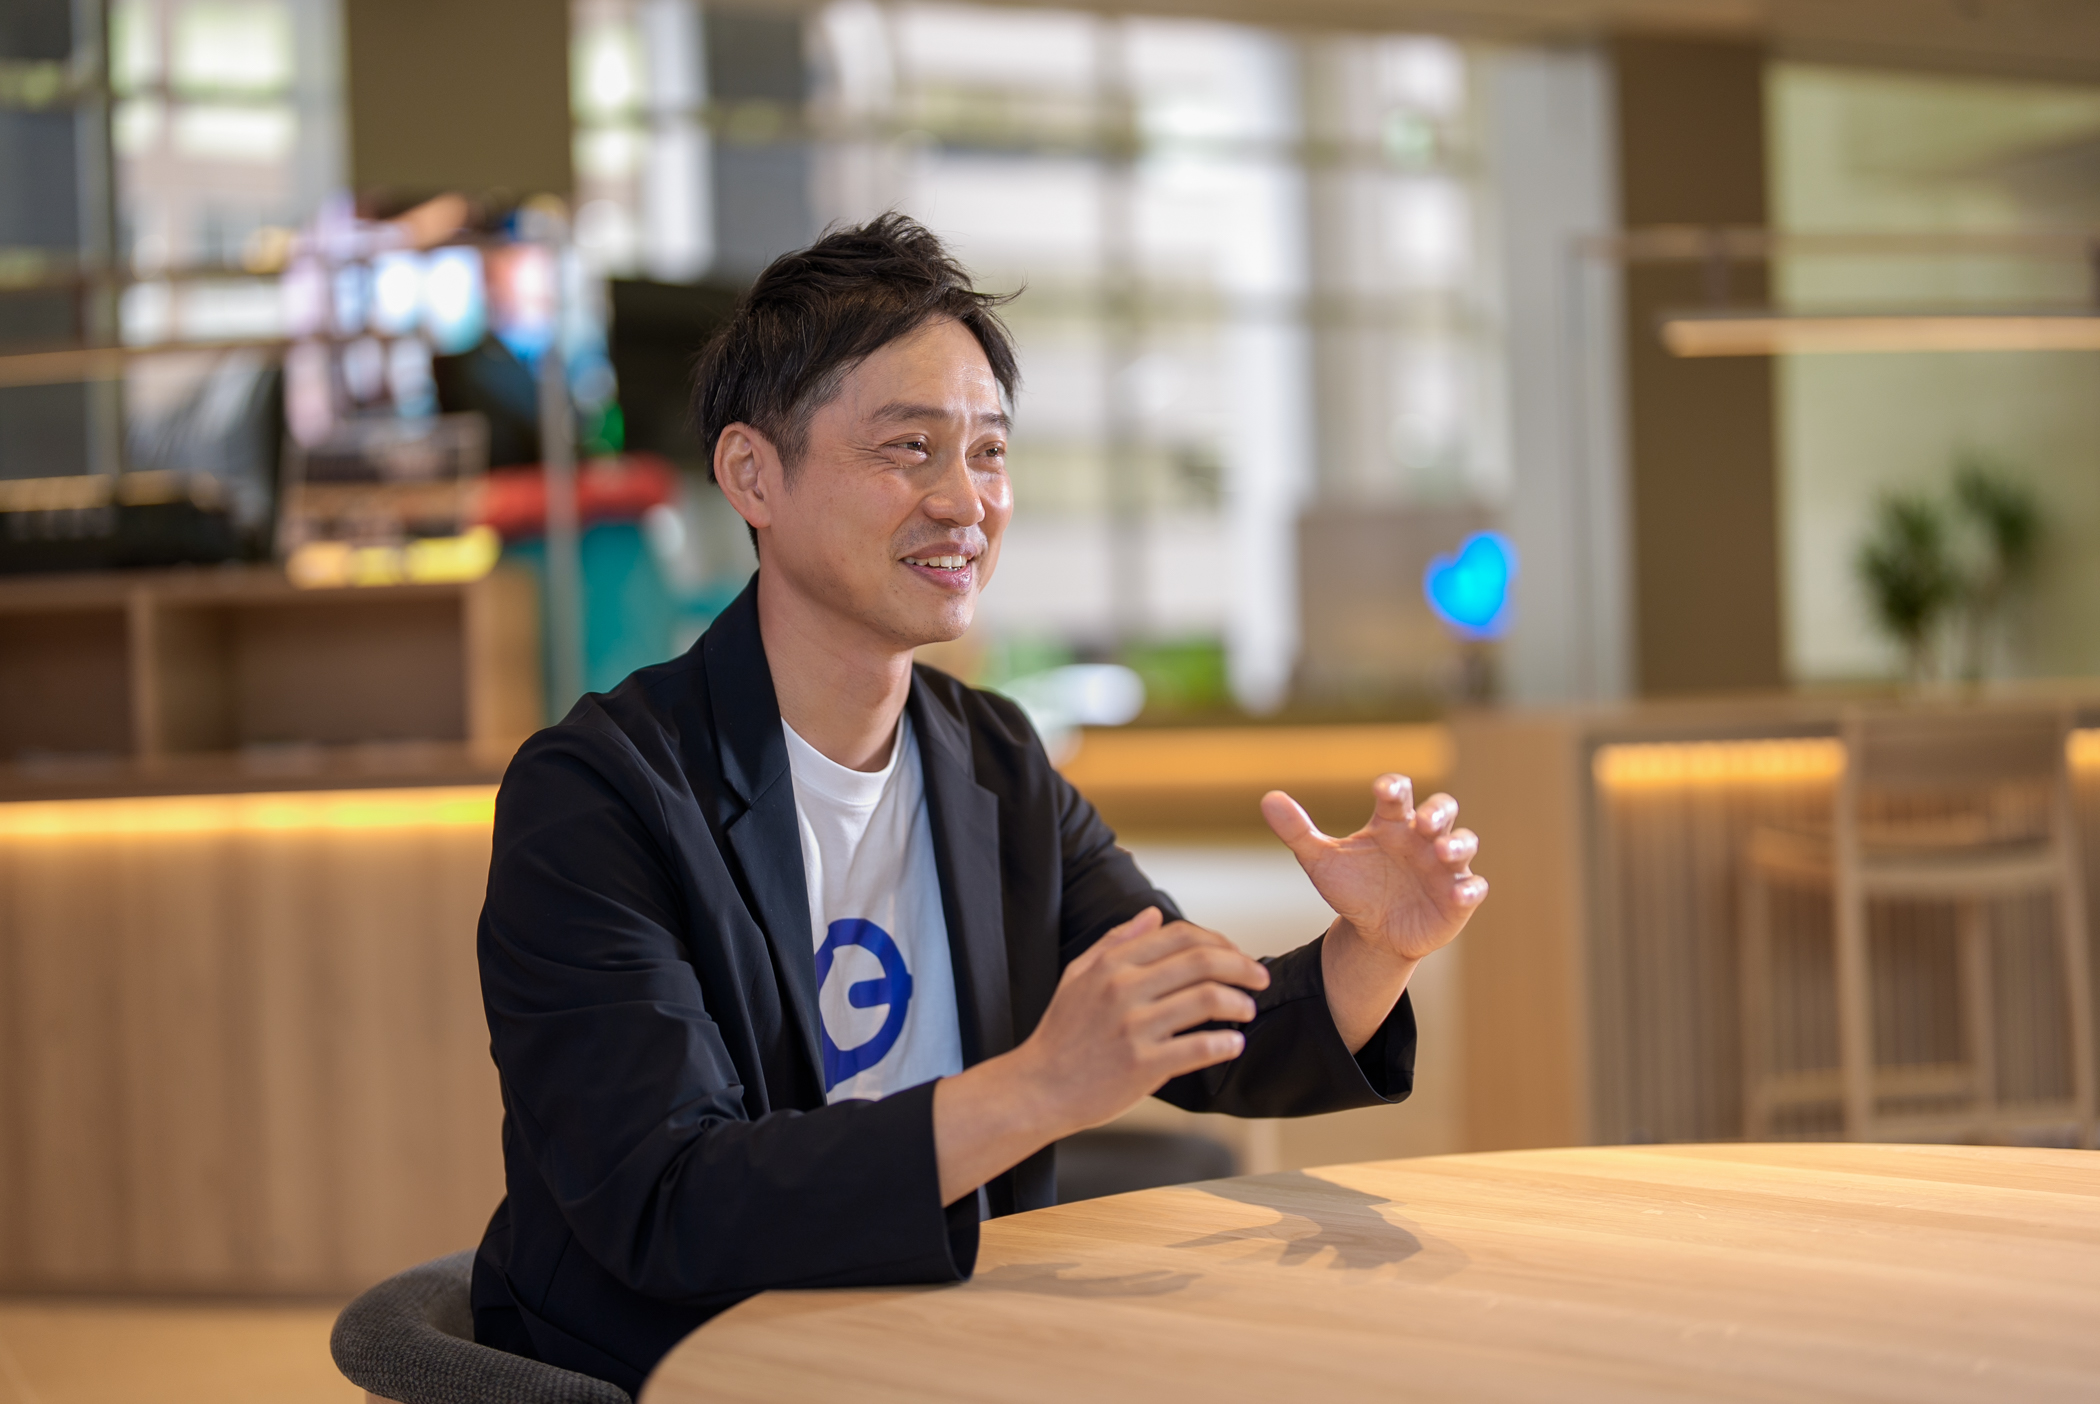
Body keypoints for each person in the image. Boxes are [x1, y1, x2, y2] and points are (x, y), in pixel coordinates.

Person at [470, 214, 1487, 1393]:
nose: (966, 501)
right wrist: (1038, 1086)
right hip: (691, 1365)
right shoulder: (598, 798)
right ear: (753, 475)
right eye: (910, 448)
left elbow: (1192, 1028)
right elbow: (668, 1204)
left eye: (990, 452)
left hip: (940, 1339)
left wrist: (1371, 949)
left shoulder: (991, 759)